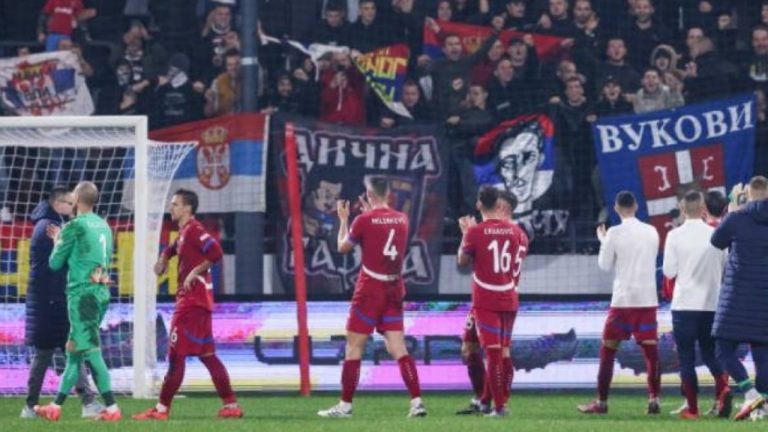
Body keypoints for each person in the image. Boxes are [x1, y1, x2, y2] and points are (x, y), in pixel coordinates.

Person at [318, 177, 426, 418]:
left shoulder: (363, 220)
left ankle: (345, 406)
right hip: (394, 287)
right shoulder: (402, 219)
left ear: (368, 194)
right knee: (398, 347)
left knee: (354, 348)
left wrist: (344, 220)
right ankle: (417, 402)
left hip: (370, 289)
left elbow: (343, 247)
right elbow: (382, 230)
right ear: (388, 194)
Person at [133, 189, 242, 420]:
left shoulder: (195, 230)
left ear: (187, 208)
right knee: (207, 355)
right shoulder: (184, 233)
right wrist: (163, 259)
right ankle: (231, 406)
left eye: (175, 204)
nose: (170, 207)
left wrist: (195, 271)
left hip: (191, 303)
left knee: (176, 356)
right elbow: (172, 248)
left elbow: (216, 253)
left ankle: (161, 410)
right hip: (200, 303)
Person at [34, 182, 120, 422]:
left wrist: (57, 240)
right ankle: (55, 406)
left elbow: (54, 263)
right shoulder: (104, 225)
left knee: (92, 351)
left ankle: (112, 408)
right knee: (74, 352)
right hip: (101, 291)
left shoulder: (74, 226)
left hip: (83, 296)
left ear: (78, 200)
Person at [578, 191, 661, 415]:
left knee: (608, 350)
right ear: (636, 206)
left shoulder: (614, 233)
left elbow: (605, 266)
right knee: (651, 353)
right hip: (647, 300)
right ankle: (654, 399)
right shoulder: (651, 231)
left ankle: (601, 402)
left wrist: (604, 241)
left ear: (616, 208)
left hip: (623, 301)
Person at [21, 187, 101, 419]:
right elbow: (67, 259)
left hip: (50, 300)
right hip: (51, 301)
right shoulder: (49, 227)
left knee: (58, 352)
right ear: (58, 204)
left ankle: (33, 406)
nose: (73, 207)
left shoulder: (49, 224)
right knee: (56, 352)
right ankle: (85, 402)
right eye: (70, 203)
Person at [456, 188, 528, 416]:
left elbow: (463, 261)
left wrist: (467, 234)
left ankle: (497, 404)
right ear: (496, 205)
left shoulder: (478, 232)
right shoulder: (518, 233)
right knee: (473, 348)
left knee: (495, 353)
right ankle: (485, 399)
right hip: (507, 296)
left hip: (487, 298)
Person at [662, 191, 730, 419]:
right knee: (711, 355)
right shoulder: (716, 234)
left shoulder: (675, 236)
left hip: (685, 305)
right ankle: (724, 389)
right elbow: (725, 266)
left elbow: (669, 271)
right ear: (703, 209)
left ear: (682, 209)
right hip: (711, 304)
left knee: (686, 358)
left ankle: (692, 408)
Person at [710, 177, 768, 421]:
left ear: (748, 194)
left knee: (722, 350)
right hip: (764, 297)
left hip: (737, 297)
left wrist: (733, 207)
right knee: (763, 355)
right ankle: (763, 408)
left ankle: (750, 393)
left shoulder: (736, 218)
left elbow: (716, 241)